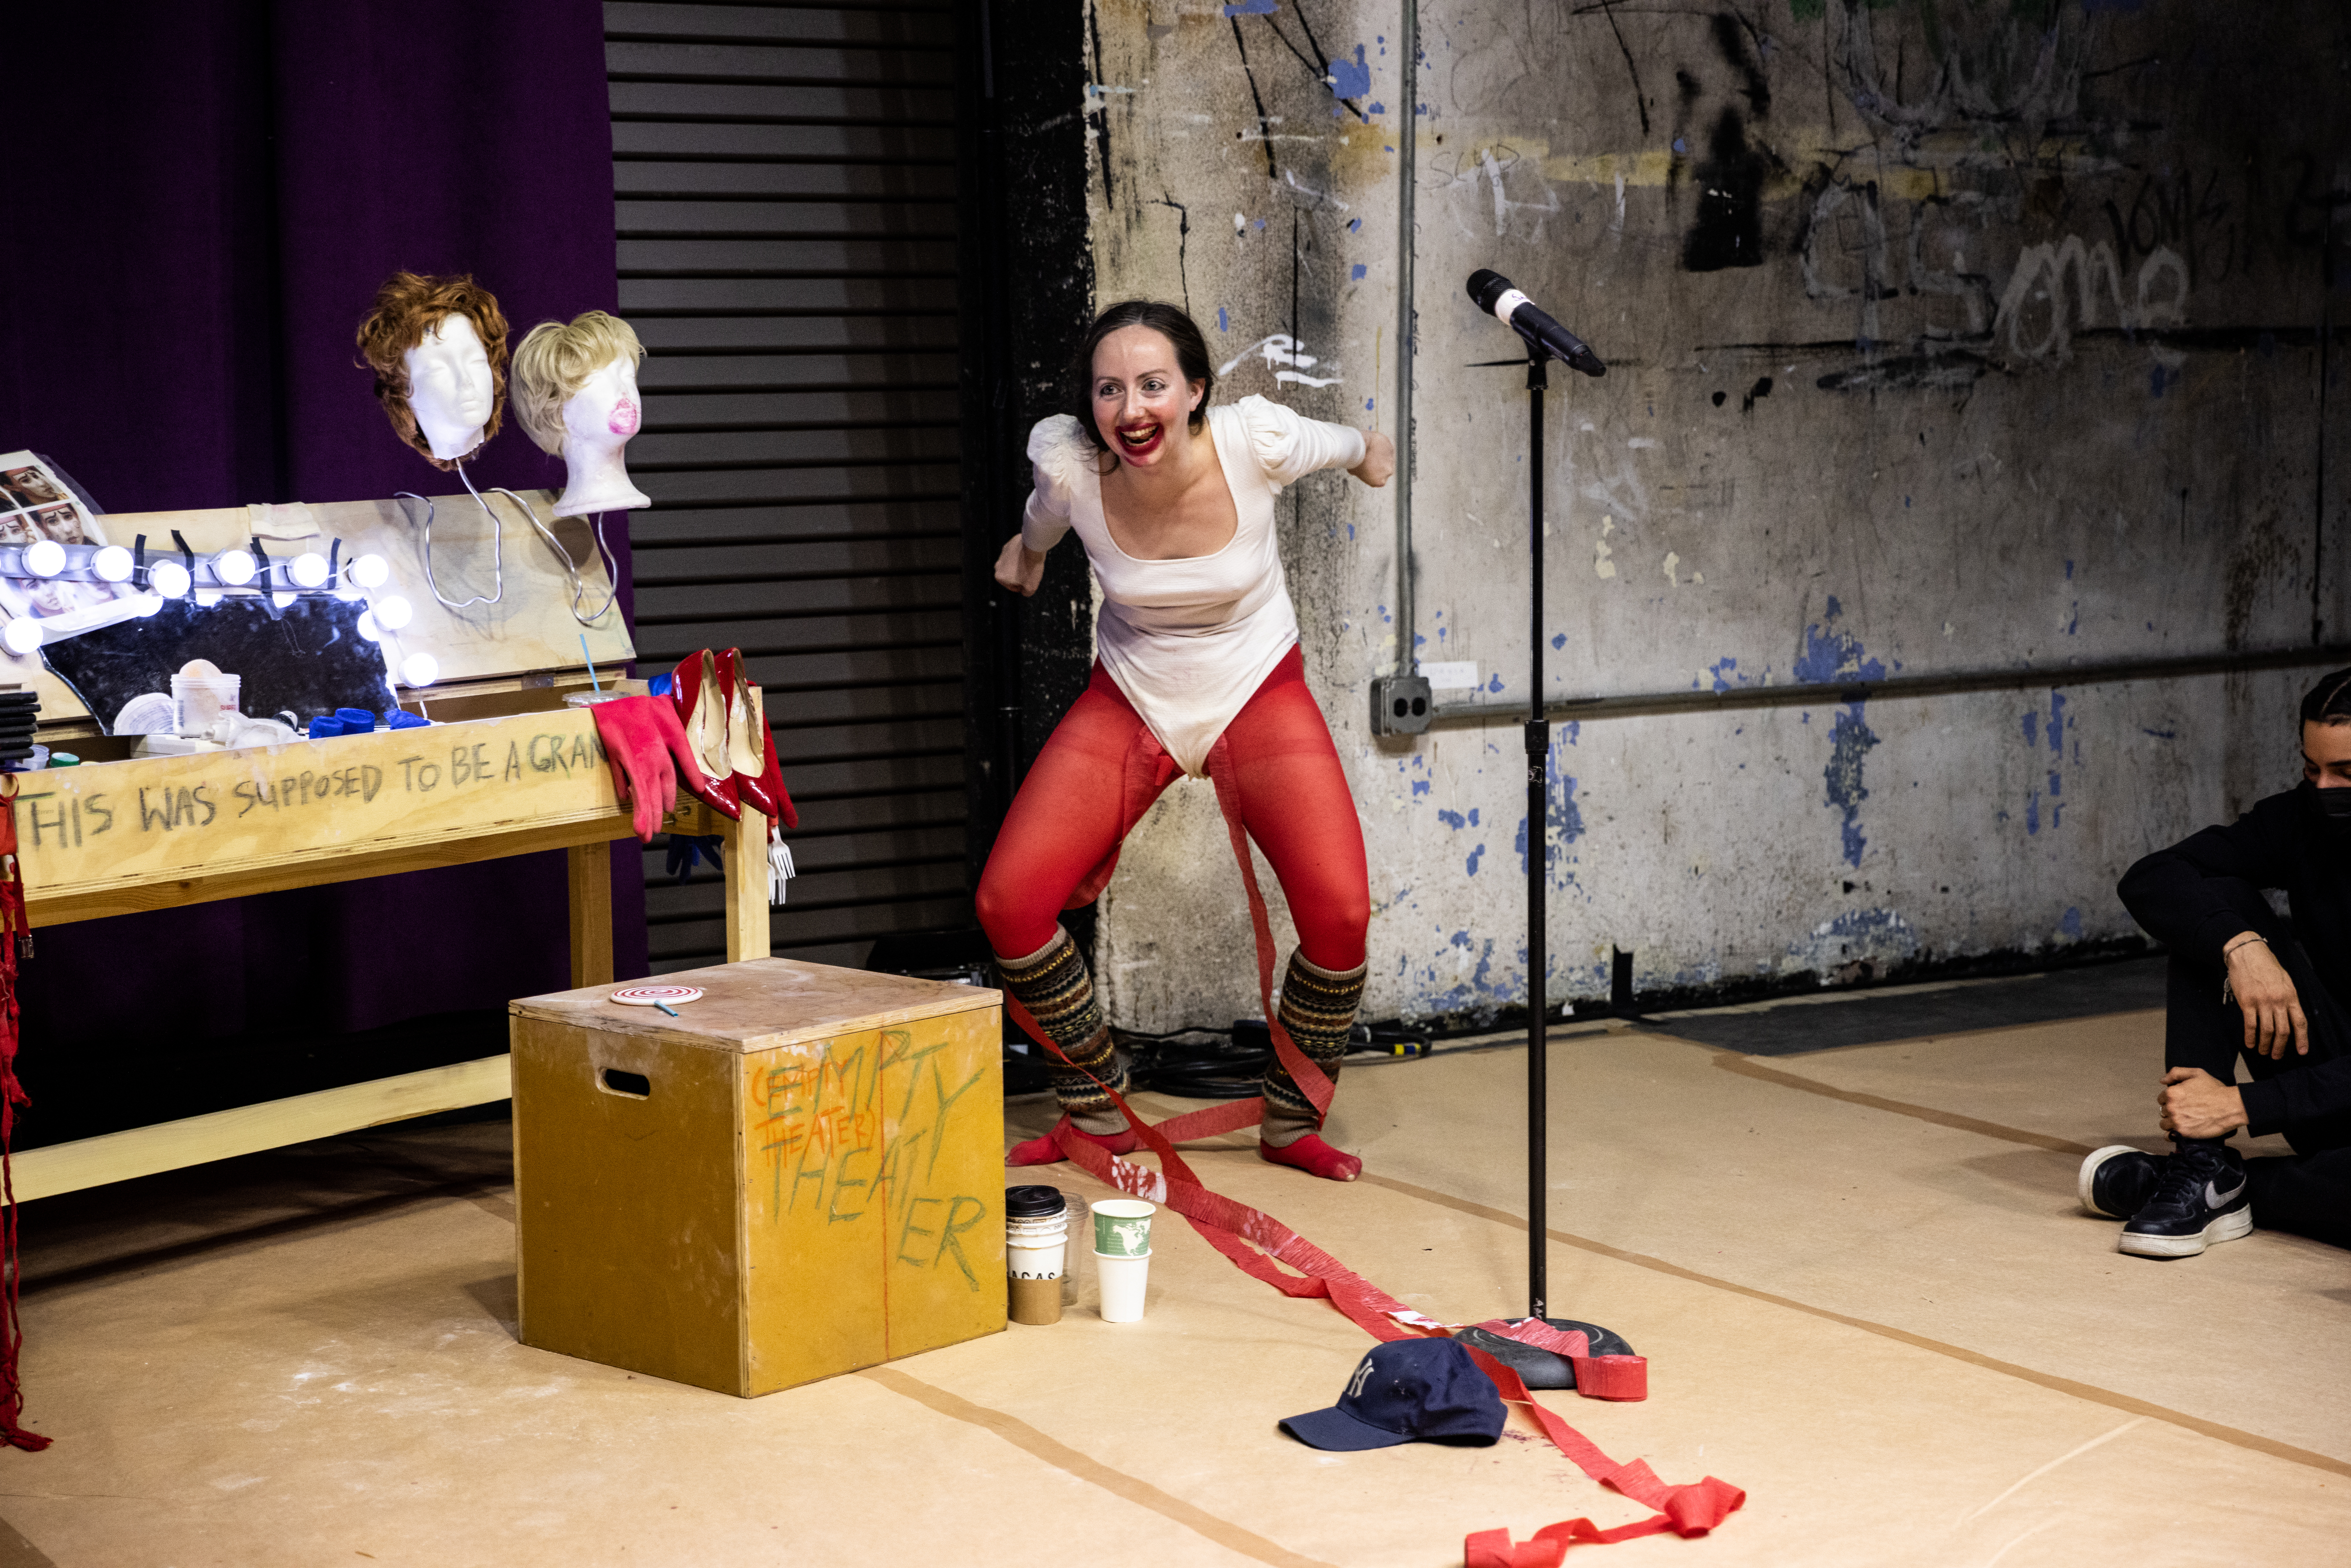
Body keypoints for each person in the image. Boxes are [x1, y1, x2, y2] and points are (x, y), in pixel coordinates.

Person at [978, 299, 1394, 1182]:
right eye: (1109, 390)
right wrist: (1028, 554)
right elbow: (1045, 518)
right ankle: (1096, 1108)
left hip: (1256, 686)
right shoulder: (1073, 467)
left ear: (1196, 390)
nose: (1131, 409)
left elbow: (1343, 443)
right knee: (1009, 902)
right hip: (1134, 694)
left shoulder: (1254, 442)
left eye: (1152, 385)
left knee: (1340, 915)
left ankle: (1291, 1122)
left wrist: (1368, 452)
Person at [2084, 667, 2351, 1256]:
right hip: (2330, 1090)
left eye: (2347, 774)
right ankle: (2200, 1163)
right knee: (2212, 905)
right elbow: (2155, 875)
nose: (2325, 789)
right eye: (2312, 770)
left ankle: (2215, 1185)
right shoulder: (2301, 820)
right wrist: (2240, 946)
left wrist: (2241, 1105)